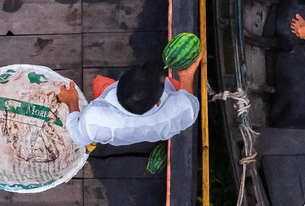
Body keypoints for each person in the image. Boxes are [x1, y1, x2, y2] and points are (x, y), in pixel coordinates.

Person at [57, 56, 202, 147]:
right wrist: (186, 76)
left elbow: (78, 137)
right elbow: (188, 102)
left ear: (119, 87)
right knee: (176, 85)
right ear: (158, 101)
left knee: (99, 82)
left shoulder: (94, 119)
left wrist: (72, 101)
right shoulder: (177, 113)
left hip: (106, 126)